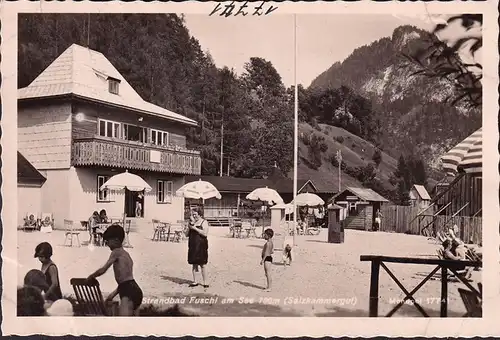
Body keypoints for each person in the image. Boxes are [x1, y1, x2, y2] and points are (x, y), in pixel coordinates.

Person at [87, 224, 143, 316]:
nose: (107, 244)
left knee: (123, 324)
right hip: (135, 289)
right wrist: (112, 295)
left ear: (116, 240)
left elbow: (103, 269)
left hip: (128, 291)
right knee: (133, 323)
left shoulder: (116, 252)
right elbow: (125, 281)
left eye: (108, 241)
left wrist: (91, 276)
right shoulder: (126, 255)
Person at [186, 207, 209, 288]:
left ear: (199, 214)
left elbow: (205, 233)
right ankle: (195, 281)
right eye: (192, 215)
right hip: (193, 245)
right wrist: (189, 227)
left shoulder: (204, 222)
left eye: (195, 214)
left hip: (201, 245)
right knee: (194, 263)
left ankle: (205, 282)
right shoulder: (191, 222)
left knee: (202, 264)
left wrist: (195, 228)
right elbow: (186, 235)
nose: (194, 216)